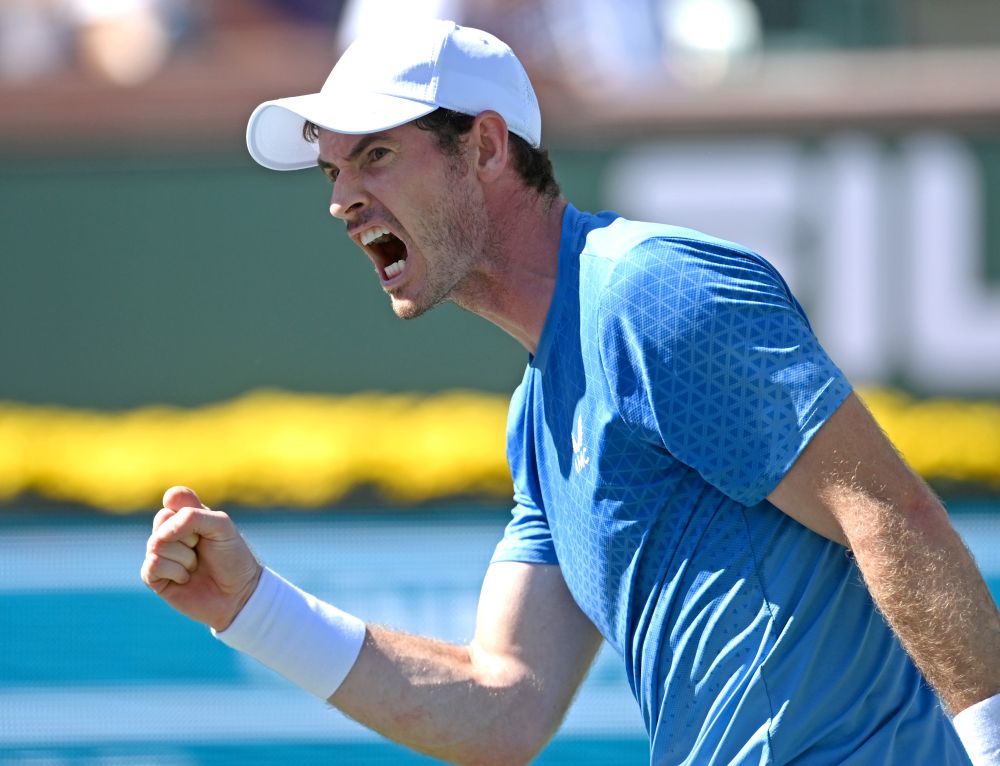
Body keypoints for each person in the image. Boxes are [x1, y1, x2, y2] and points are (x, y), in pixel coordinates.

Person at [140, 19, 1000, 766]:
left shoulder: (651, 292)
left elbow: (889, 515)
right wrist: (251, 607)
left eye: (375, 155)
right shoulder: (539, 413)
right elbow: (501, 705)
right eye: (330, 171)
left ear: (483, 147)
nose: (340, 199)